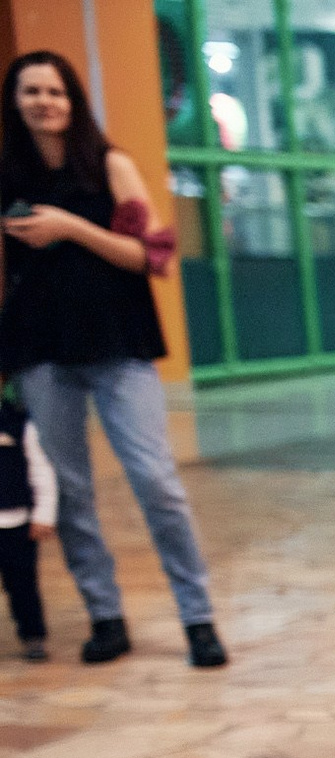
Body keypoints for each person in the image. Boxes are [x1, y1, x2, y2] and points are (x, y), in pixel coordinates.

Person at [0, 51, 222, 668]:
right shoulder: (8, 176)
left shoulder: (110, 165)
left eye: (55, 91)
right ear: (15, 102)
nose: (44, 101)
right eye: (30, 91)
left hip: (119, 344)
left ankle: (198, 618)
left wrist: (70, 227)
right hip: (40, 349)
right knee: (71, 491)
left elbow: (154, 258)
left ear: (73, 100)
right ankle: (105, 616)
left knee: (157, 482)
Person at [0, 386, 56, 660]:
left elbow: (41, 468)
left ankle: (33, 634)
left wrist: (44, 513)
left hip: (15, 522)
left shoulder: (20, 422)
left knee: (22, 584)